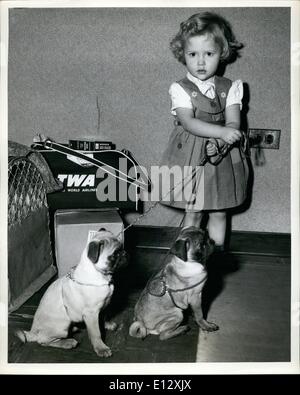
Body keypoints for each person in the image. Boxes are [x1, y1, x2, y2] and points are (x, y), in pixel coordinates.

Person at [160, 12, 249, 252]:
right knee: (194, 211)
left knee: (220, 210)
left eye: (208, 54)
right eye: (193, 54)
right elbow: (188, 122)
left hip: (223, 156)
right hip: (191, 156)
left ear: (222, 53)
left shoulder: (231, 88)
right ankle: (184, 258)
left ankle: (216, 258)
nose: (200, 62)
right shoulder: (180, 89)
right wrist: (220, 133)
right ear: (183, 55)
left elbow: (232, 123)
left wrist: (223, 139)